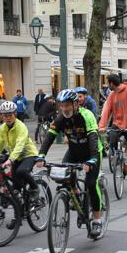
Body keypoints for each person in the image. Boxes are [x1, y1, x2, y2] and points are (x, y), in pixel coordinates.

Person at [38, 89, 105, 237]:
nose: (64, 109)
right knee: (63, 173)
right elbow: (49, 137)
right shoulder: (61, 118)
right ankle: (74, 194)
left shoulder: (86, 116)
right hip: (74, 152)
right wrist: (41, 155)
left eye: (67, 105)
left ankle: (97, 220)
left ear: (75, 104)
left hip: (91, 152)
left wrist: (92, 159)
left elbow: (93, 139)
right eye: (61, 105)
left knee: (90, 183)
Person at [0, 101, 41, 229]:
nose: (7, 117)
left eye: (10, 115)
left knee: (21, 172)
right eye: (5, 115)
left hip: (28, 154)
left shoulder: (21, 126)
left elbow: (20, 145)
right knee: (15, 190)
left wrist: (10, 160)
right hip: (16, 157)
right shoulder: (3, 128)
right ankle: (18, 216)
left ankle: (34, 188)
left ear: (15, 114)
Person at [99, 74, 127, 185]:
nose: (108, 86)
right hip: (117, 124)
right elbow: (106, 110)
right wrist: (102, 126)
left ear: (112, 83)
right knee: (111, 141)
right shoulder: (112, 95)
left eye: (109, 83)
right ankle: (118, 159)